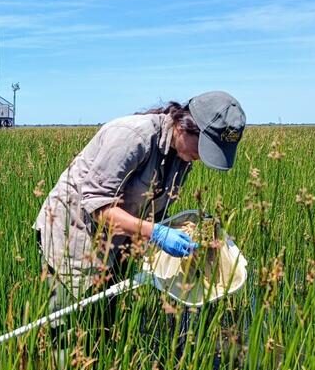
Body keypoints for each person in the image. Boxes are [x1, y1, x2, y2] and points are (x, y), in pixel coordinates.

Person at [33, 91, 246, 355]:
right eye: (203, 148)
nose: (201, 157)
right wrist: (155, 232)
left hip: (117, 242)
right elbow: (98, 206)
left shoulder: (182, 158)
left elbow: (153, 208)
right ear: (186, 126)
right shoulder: (133, 136)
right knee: (66, 336)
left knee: (103, 327)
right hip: (71, 239)